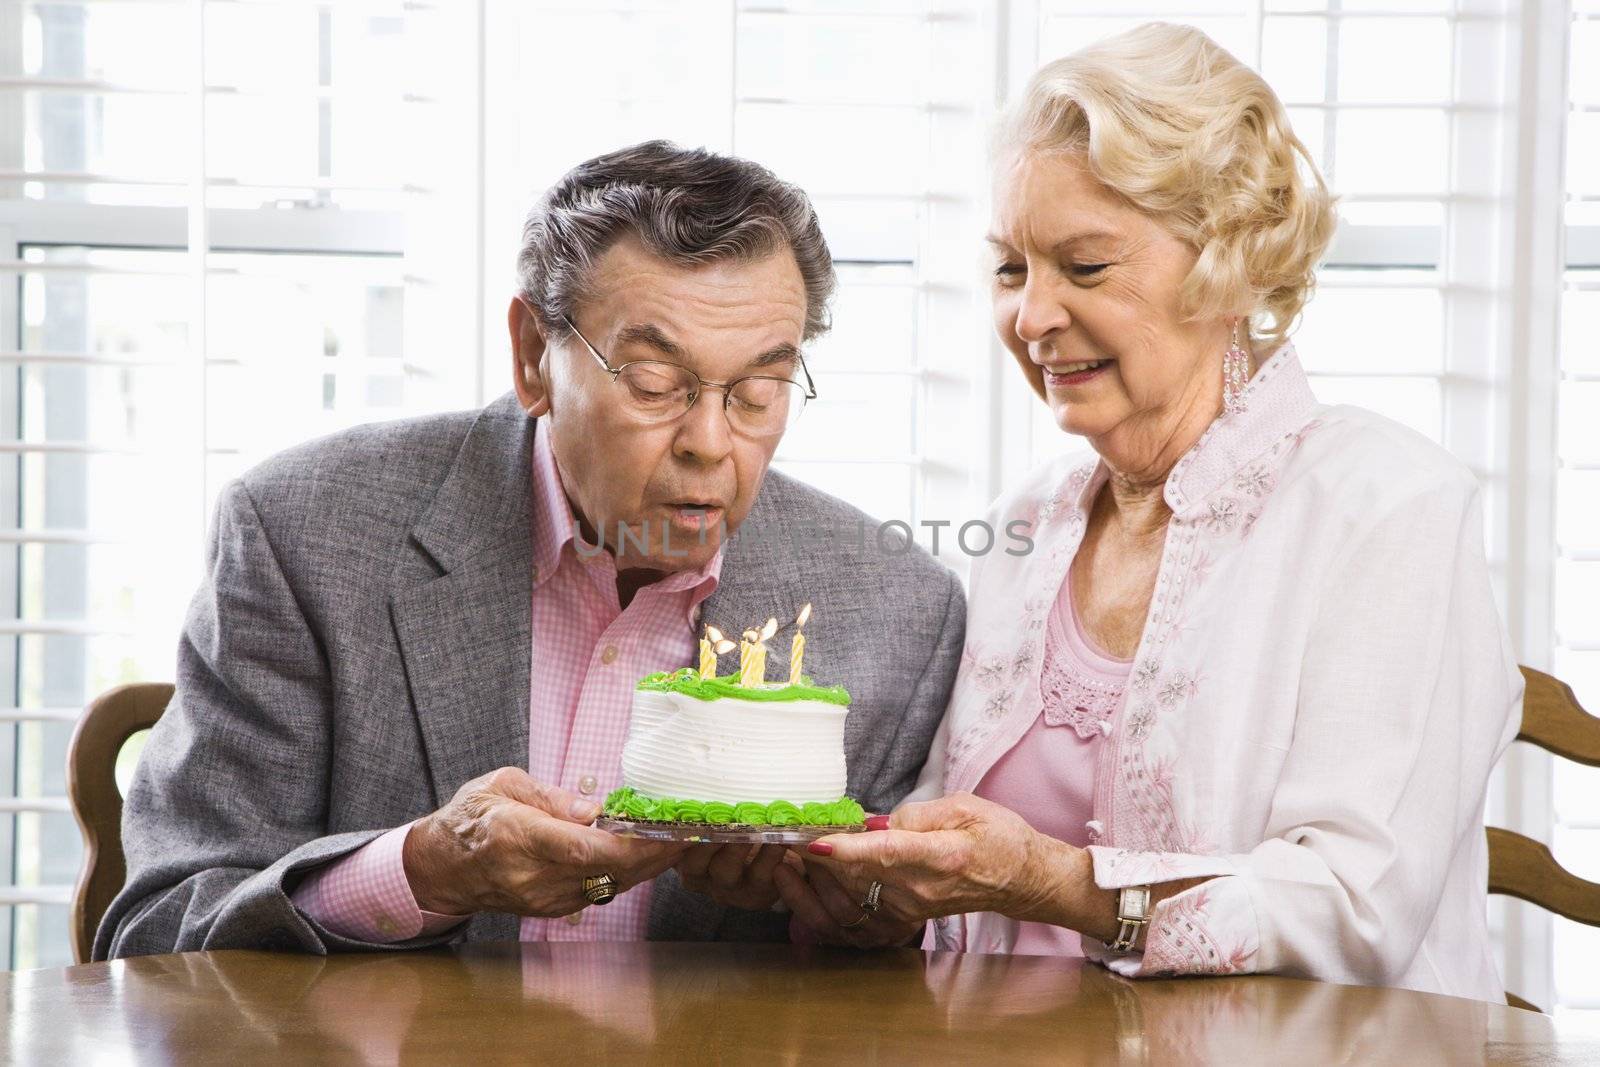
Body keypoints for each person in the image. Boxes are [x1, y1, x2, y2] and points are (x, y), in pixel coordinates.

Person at [794, 23, 1521, 1003]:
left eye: (1083, 267)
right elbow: (957, 857)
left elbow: (1356, 908)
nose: (1032, 315)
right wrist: (858, 890)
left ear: (1226, 263)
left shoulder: (1387, 508)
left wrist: (1052, 879)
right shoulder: (1028, 524)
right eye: (1010, 269)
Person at [97, 141, 965, 958]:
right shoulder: (304, 533)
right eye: (656, 383)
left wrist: (845, 920)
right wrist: (423, 871)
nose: (710, 441)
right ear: (532, 358)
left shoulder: (896, 610)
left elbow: (893, 968)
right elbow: (157, 930)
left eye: (760, 390)